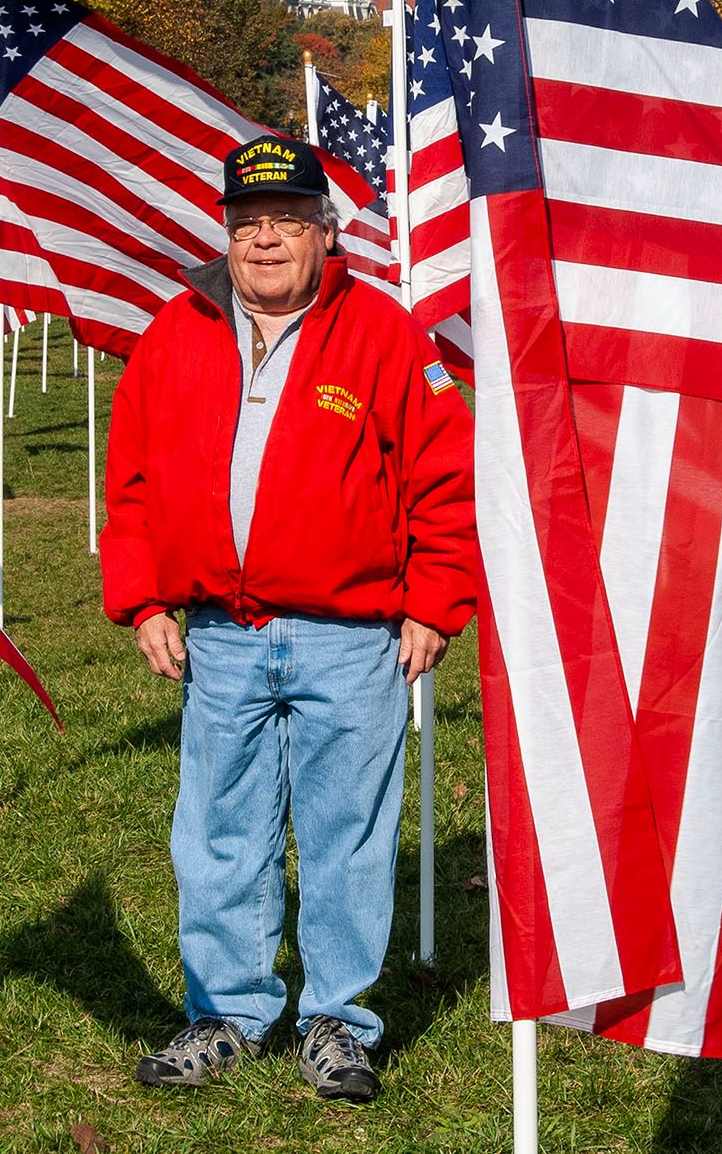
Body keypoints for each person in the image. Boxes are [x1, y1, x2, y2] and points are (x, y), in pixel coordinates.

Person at [101, 132, 476, 1104]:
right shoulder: (175, 332)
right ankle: (227, 1013)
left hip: (350, 638)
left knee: (346, 833)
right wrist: (142, 596)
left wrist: (436, 601)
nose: (265, 239)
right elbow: (130, 476)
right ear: (228, 232)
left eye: (287, 220)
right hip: (219, 636)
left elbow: (446, 475)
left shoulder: (384, 332)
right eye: (248, 222)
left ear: (325, 231)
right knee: (219, 831)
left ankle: (337, 1022)